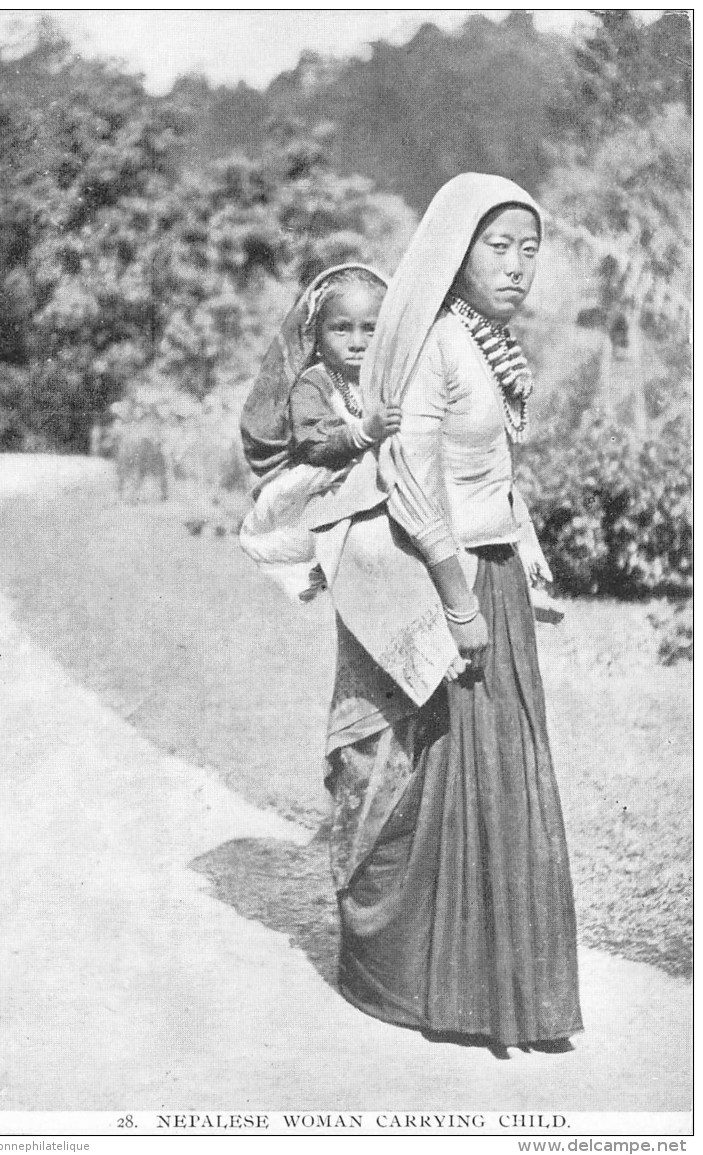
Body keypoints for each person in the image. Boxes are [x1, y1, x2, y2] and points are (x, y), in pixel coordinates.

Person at [308, 173, 583, 1055]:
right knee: (438, 773)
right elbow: (410, 477)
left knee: (500, 771)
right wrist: (459, 601)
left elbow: (492, 474)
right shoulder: (433, 342)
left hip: (489, 576)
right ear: (455, 253)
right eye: (497, 247)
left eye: (528, 249)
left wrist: (526, 559)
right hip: (443, 581)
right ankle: (414, 975)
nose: (515, 266)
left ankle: (504, 990)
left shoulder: (487, 343)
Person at [239, 264, 400, 598]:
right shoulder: (314, 384)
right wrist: (363, 433)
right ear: (317, 336)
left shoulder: (388, 381)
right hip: (325, 479)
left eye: (371, 330)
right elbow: (316, 443)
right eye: (341, 329)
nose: (357, 343)